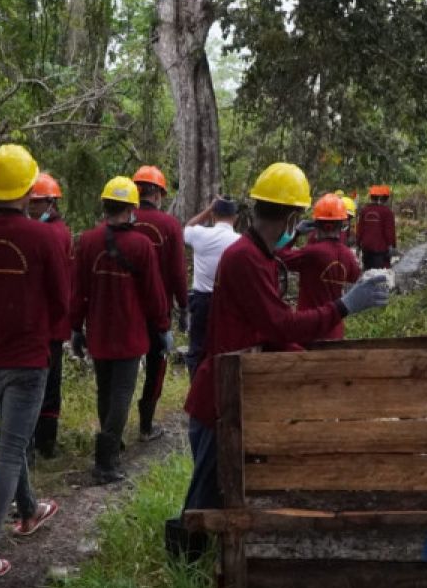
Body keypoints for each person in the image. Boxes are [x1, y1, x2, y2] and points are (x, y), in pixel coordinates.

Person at [165, 163, 389, 559]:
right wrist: (343, 306)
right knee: (204, 495)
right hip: (218, 395)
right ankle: (184, 566)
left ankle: (201, 559)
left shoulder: (261, 257)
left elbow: (266, 332)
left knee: (221, 486)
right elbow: (279, 323)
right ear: (290, 218)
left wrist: (311, 363)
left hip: (234, 390)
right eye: (297, 219)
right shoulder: (245, 259)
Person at [0, 145, 68, 582]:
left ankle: (29, 509)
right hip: (27, 357)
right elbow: (60, 299)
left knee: (12, 439)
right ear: (27, 189)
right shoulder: (43, 238)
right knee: (10, 450)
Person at [70, 176, 170, 483]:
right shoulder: (140, 245)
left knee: (105, 390)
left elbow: (78, 290)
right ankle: (106, 462)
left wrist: (75, 327)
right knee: (121, 395)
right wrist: (163, 327)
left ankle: (111, 445)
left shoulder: (87, 241)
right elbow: (154, 293)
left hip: (99, 330)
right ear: (131, 209)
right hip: (129, 333)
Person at [130, 165, 188, 441]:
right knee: (157, 364)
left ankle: (114, 425)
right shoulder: (169, 225)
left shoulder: (119, 221)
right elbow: (178, 271)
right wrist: (184, 305)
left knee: (122, 368)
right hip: (158, 309)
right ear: (160, 194)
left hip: (124, 308)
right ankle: (146, 425)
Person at [26, 171, 73, 460]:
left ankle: (44, 442)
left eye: (37, 204)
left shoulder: (54, 234)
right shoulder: (55, 232)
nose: (32, 208)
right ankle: (38, 442)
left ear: (50, 203)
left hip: (51, 323)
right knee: (40, 383)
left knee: (48, 385)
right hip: (39, 323)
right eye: (30, 203)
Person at [280, 193, 362, 340]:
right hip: (335, 329)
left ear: (316, 225)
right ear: (341, 224)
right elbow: (355, 278)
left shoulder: (311, 253)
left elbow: (279, 257)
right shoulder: (348, 255)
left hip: (309, 328)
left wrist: (296, 233)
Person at [183, 195, 241, 378]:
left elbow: (186, 229)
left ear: (214, 215)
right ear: (235, 217)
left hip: (201, 301)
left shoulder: (201, 235)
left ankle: (196, 392)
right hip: (228, 303)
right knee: (226, 347)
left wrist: (208, 209)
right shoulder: (240, 241)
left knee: (197, 349)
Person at [357, 184, 397, 270]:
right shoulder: (387, 212)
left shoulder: (365, 211)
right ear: (385, 198)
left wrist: (358, 245)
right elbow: (389, 231)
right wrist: (391, 246)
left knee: (367, 272)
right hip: (381, 249)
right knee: (379, 275)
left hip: (366, 248)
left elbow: (360, 229)